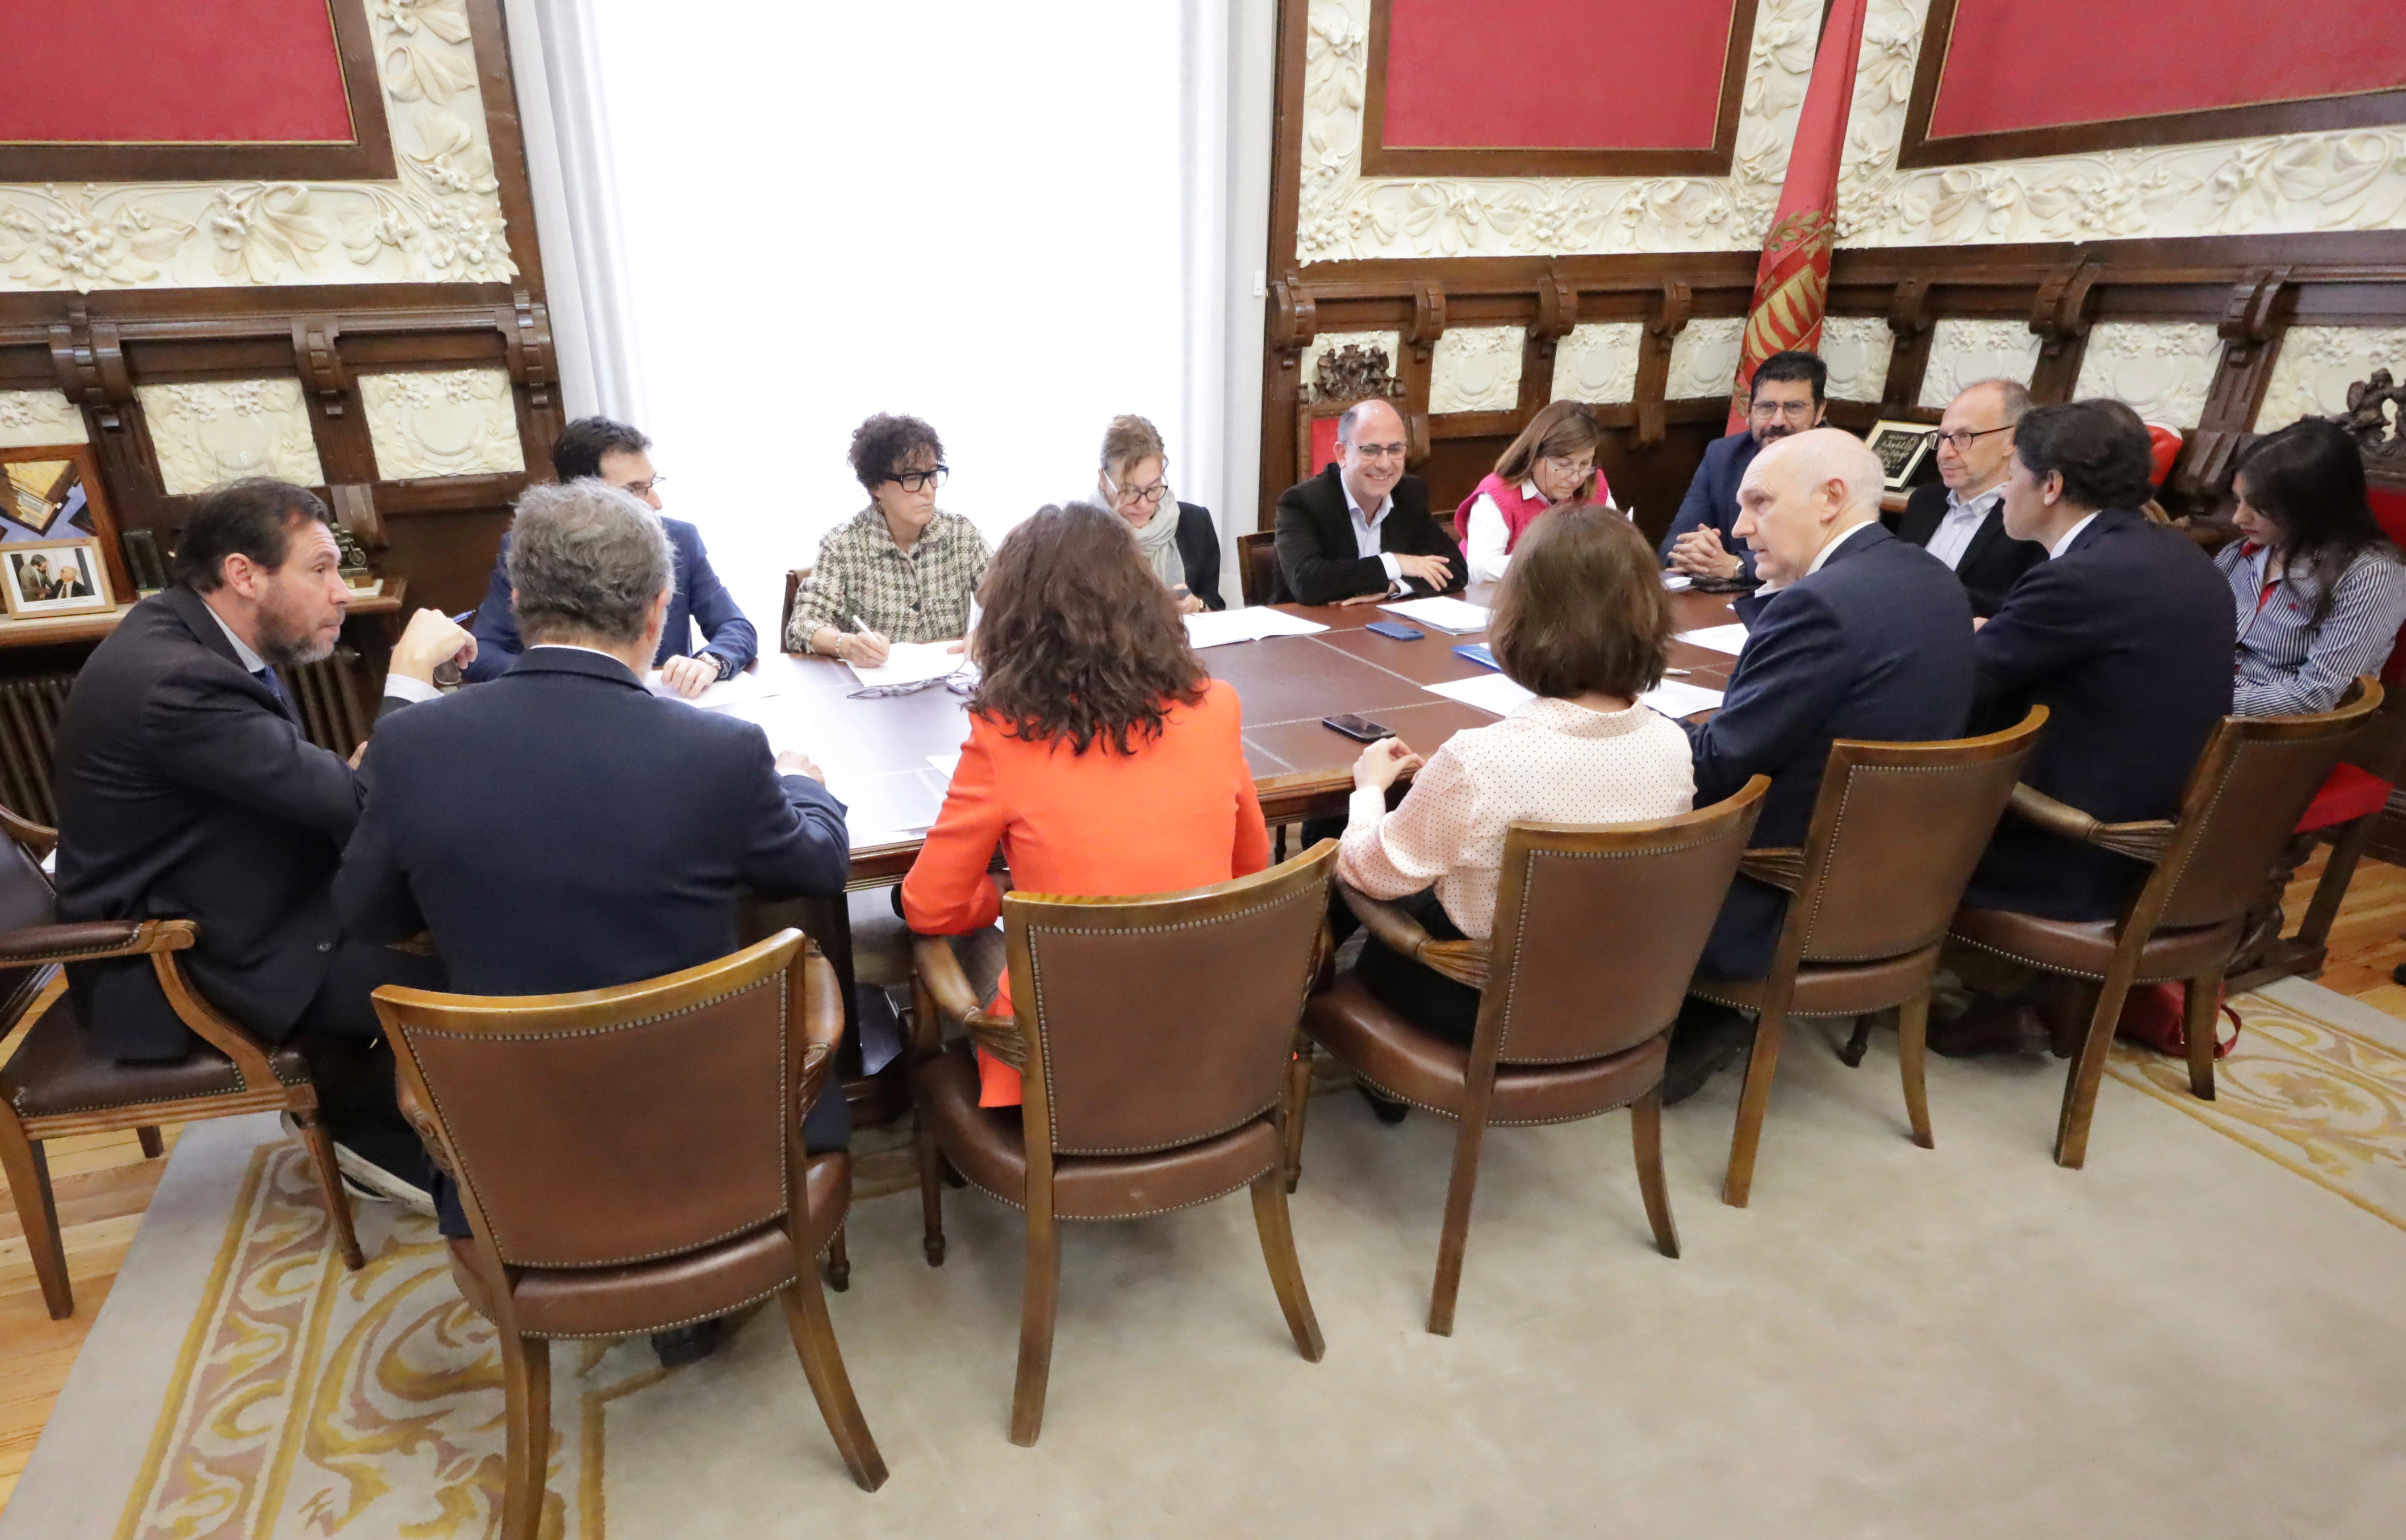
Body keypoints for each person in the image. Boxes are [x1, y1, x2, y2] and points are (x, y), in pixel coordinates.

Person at [336, 480, 853, 1362]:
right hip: (715, 1139)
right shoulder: (721, 752)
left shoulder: (413, 745)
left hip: (516, 1150)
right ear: (657, 613)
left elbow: (365, 913)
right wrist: (806, 787)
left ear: (519, 600)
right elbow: (817, 868)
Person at [51, 478, 475, 1190]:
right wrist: (406, 678)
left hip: (245, 900)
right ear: (243, 575)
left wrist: (353, 778)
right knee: (481, 979)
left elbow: (314, 789)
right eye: (321, 570)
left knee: (454, 921)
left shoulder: (187, 635)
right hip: (190, 958)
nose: (342, 593)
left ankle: (368, 1114)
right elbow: (360, 804)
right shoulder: (175, 681)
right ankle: (381, 1131)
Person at [902, 501, 1270, 1107]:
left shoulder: (1004, 735)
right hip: (1211, 1042)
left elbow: (927, 907)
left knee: (945, 939)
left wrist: (1006, 894)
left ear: (1014, 622)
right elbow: (1251, 866)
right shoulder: (1217, 706)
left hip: (1066, 1070)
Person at [1670, 429, 1975, 1100]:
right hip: (1903, 889)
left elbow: (1716, 766)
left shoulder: (1819, 606)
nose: (1740, 527)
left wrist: (1631, 725)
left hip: (1785, 899)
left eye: (1760, 503)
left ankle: (1617, 1031)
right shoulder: (1932, 578)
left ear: (1831, 499)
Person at [1927, 402, 2238, 1058]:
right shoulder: (2181, 559)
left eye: (2013, 473)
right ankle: (2009, 997)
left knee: (1873, 798)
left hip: (2079, 853)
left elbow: (1961, 687)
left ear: (2052, 485)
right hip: (2171, 844)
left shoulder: (2079, 579)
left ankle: (1834, 974)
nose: (2004, 490)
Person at [1338, 505, 1693, 1045]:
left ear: (1522, 614)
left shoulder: (1480, 761)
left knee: (1335, 856)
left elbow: (1367, 873)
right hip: (1621, 998)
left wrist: (1369, 793)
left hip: (1483, 1006)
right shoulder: (1673, 743)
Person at [465, 417, 755, 696]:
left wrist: (710, 662)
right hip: (563, 711)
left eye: (652, 484)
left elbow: (735, 627)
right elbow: (481, 652)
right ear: (583, 497)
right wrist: (557, 681)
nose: (656, 503)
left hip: (658, 707)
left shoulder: (679, 539)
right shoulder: (530, 547)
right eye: (634, 490)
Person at [2218, 418, 2406, 717]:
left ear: (2311, 506)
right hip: (2201, 700)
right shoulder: (2242, 552)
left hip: (2279, 731)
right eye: (2237, 501)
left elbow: (2317, 696)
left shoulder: (2372, 575)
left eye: (2260, 508)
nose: (2238, 518)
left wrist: (2199, 704)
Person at [789, 413, 993, 665]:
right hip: (873, 685)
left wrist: (987, 633)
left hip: (947, 683)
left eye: (932, 474)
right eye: (912, 478)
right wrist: (847, 644)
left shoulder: (960, 535)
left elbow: (1015, 603)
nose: (928, 490)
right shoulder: (843, 545)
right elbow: (803, 625)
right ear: (876, 486)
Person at [1272, 397, 1464, 605]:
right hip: (1309, 623)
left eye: (1395, 449)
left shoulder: (1410, 494)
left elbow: (1456, 569)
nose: (1384, 464)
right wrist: (1395, 563)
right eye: (1370, 450)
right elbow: (1307, 583)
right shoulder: (1302, 503)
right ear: (1342, 454)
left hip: (1381, 620)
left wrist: (1394, 586)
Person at [1660, 350, 1828, 584]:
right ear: (1750, 410)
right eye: (1766, 407)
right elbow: (1675, 541)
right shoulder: (1722, 455)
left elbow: (1824, 555)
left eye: (1794, 408)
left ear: (1819, 412)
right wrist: (1696, 554)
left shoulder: (1841, 460)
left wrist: (1737, 566)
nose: (1778, 421)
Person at [1893, 379, 2047, 617]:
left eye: (1964, 436)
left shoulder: (2034, 517)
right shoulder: (1925, 501)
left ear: (2012, 440)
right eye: (1942, 437)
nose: (1944, 453)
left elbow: (2024, 610)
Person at [1456, 400, 1614, 587]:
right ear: (1534, 457)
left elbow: (1614, 544)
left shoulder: (1594, 483)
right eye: (1564, 465)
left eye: (1585, 464)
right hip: (1504, 597)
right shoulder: (1498, 494)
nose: (1575, 478)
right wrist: (1551, 562)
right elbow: (1480, 570)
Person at [1097, 413, 1223, 613]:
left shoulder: (1195, 524)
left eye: (1154, 488)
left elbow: (1216, 606)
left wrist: (1197, 606)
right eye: (1129, 491)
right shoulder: (1080, 538)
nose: (1143, 504)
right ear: (1104, 481)